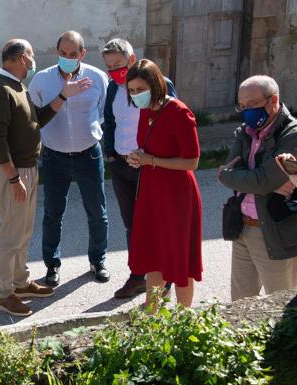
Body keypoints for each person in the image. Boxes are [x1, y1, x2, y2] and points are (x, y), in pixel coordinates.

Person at [0, 38, 91, 316]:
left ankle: (20, 282)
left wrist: (64, 95)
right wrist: (12, 178)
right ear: (20, 58)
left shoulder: (18, 86)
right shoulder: (0, 89)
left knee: (23, 230)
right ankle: (4, 294)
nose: (33, 61)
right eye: (30, 56)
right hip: (14, 172)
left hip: (26, 168)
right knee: (11, 234)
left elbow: (36, 121)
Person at [28, 31, 109, 287]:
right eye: (63, 53)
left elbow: (104, 111)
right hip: (54, 157)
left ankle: (98, 260)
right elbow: (34, 117)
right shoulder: (41, 80)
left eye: (73, 54)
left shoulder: (97, 77)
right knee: (53, 213)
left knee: (97, 212)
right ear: (57, 52)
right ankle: (52, 265)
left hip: (89, 154)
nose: (67, 58)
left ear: (82, 54)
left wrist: (93, 133)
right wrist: (63, 95)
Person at [101, 38, 177, 299]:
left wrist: (150, 157)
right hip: (122, 167)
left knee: (155, 224)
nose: (114, 72)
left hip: (149, 167)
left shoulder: (160, 85)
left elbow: (171, 125)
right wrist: (110, 153)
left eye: (118, 65)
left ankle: (164, 278)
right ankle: (137, 276)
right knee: (132, 225)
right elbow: (110, 121)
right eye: (109, 67)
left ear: (132, 60)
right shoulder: (113, 88)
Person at [125, 59, 202, 309]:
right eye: (132, 91)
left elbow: (192, 161)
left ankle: (183, 318)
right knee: (153, 255)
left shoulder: (180, 112)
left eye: (140, 90)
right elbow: (147, 148)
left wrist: (152, 160)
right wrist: (138, 157)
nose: (136, 95)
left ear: (155, 85)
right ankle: (152, 317)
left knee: (180, 259)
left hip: (177, 195)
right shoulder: (145, 111)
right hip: (151, 192)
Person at [218, 75, 297, 301]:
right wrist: (230, 175)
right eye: (242, 106)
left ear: (273, 100)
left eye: (251, 105)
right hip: (243, 227)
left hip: (275, 232)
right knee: (240, 305)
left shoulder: (292, 135)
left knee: (281, 305)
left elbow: (263, 181)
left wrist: (234, 175)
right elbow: (225, 175)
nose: (246, 112)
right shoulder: (245, 131)